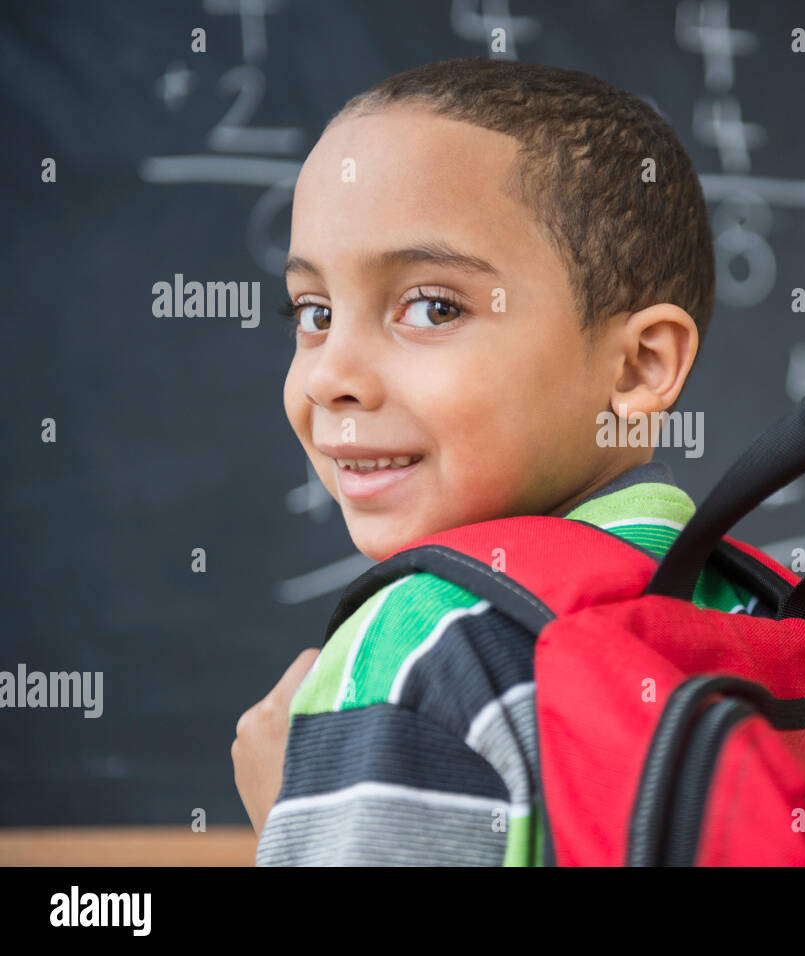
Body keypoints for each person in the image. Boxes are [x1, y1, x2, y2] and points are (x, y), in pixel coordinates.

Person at [232, 56, 761, 864]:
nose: (331, 376)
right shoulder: (761, 606)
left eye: (432, 307)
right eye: (313, 312)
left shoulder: (418, 647)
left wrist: (293, 821)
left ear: (638, 367)